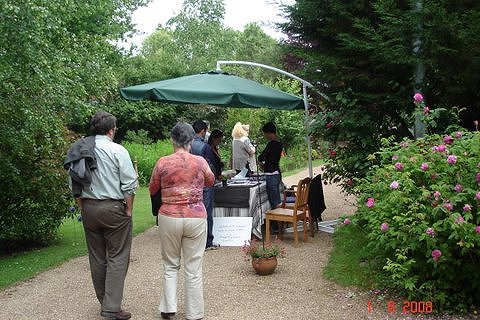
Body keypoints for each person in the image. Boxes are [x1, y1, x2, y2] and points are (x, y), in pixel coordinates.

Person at [65, 111, 137, 320]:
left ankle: (104, 300)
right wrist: (129, 209)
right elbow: (129, 184)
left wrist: (82, 206)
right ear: (110, 130)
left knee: (97, 257)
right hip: (113, 208)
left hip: (89, 208)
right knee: (117, 256)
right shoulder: (117, 150)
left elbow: (73, 183)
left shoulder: (80, 149)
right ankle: (112, 307)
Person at [149, 122, 215, 320]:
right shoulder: (200, 161)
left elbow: (153, 188)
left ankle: (169, 308)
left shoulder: (162, 162)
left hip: (169, 216)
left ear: (172, 140)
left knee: (170, 264)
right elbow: (211, 180)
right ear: (191, 140)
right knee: (193, 267)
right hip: (195, 217)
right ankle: (194, 313)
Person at [190, 120, 219, 250]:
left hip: (190, 184)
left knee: (192, 211)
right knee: (206, 212)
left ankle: (193, 239)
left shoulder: (187, 145)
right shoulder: (205, 147)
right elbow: (210, 167)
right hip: (205, 184)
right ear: (203, 131)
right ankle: (207, 241)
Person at [258, 122, 283, 234]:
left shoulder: (271, 144)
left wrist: (262, 164)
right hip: (277, 172)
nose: (265, 136)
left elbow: (261, 156)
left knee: (274, 202)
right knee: (277, 200)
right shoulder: (279, 143)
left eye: (265, 134)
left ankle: (276, 227)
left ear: (269, 133)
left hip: (271, 174)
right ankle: (280, 224)